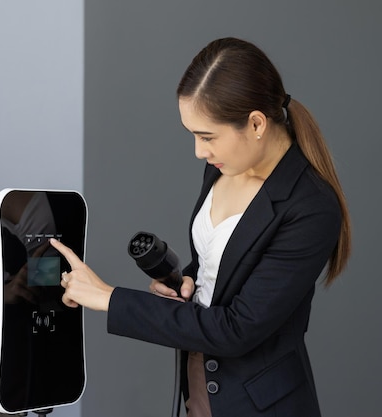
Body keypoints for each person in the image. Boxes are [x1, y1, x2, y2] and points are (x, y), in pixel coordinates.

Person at [49, 37, 351, 417]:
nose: (199, 152)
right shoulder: (222, 164)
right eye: (193, 134)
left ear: (256, 123)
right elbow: (221, 261)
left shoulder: (310, 208)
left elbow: (236, 329)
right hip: (199, 390)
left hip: (258, 406)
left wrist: (108, 298)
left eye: (207, 136)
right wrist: (188, 282)